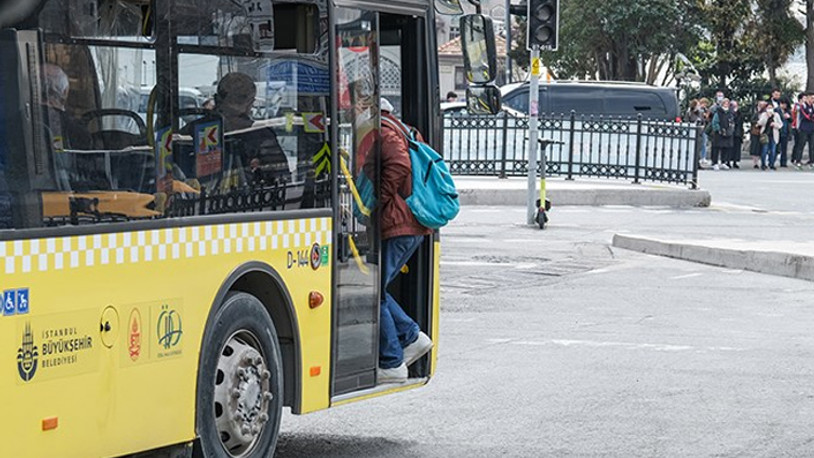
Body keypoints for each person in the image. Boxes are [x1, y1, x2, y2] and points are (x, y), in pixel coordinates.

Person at [374, 97, 434, 384]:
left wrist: (378, 201)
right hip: (413, 224)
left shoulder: (384, 131)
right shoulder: (406, 129)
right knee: (378, 289)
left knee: (373, 291)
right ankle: (411, 337)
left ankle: (392, 361)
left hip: (398, 223)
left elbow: (398, 165)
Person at [710, 98, 734, 170]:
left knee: (726, 148)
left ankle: (723, 162)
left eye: (727, 103)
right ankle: (715, 163)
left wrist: (731, 129)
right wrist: (718, 129)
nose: (726, 104)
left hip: (728, 132)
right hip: (719, 132)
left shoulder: (730, 112)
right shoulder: (718, 112)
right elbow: (714, 122)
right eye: (725, 103)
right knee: (716, 148)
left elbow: (732, 122)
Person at [797, 93, 814, 168]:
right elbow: (804, 116)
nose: (812, 100)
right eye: (811, 98)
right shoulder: (803, 106)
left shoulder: (813, 106)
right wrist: (810, 116)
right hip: (804, 128)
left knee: (812, 146)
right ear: (807, 98)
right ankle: (798, 160)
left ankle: (812, 161)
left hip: (812, 128)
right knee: (801, 145)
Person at [777, 99, 791, 167]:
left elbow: (791, 120)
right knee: (776, 147)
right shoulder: (777, 110)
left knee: (784, 148)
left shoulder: (788, 111)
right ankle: (772, 161)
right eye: (782, 104)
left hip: (785, 131)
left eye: (785, 104)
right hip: (778, 131)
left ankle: (783, 162)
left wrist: (789, 117)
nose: (784, 106)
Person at [729, 100, 744, 169]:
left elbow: (740, 121)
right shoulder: (729, 112)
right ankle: (728, 161)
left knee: (737, 148)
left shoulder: (739, 113)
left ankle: (735, 161)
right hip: (731, 132)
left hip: (738, 132)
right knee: (730, 148)